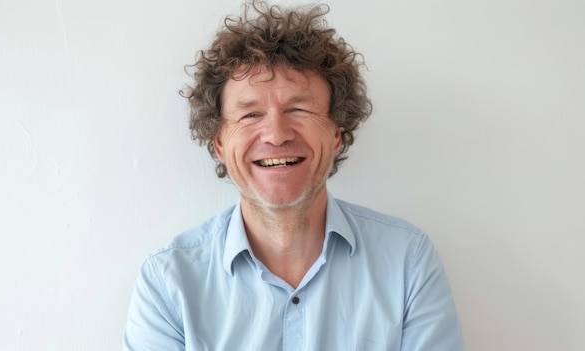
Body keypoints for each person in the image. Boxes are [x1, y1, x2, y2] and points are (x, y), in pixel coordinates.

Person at [123, 1, 464, 350]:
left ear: (336, 134)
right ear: (221, 144)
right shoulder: (168, 283)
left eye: (298, 109)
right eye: (250, 114)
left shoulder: (408, 263)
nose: (276, 134)